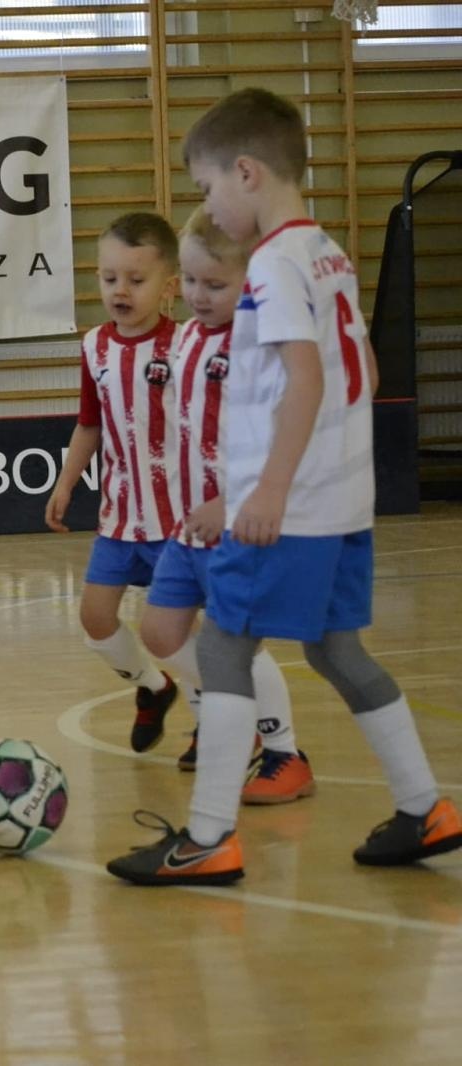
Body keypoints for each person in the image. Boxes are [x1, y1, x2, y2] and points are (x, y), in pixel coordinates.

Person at [107, 87, 461, 886]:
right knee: (337, 650)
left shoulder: (270, 264)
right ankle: (424, 808)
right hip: (342, 503)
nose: (208, 206)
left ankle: (207, 838)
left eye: (207, 188)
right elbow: (365, 372)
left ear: (246, 173)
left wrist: (265, 490)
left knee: (224, 647)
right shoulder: (326, 252)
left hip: (291, 506)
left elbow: (305, 377)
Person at [137, 206, 313, 803]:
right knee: (160, 632)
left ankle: (286, 753)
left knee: (234, 644)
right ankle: (237, 709)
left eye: (215, 284)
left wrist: (230, 500)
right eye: (190, 281)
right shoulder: (186, 338)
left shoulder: (258, 345)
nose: (198, 295)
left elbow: (282, 437)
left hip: (237, 525)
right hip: (188, 527)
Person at [44, 213, 185, 753]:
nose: (120, 290)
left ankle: (213, 722)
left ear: (169, 286)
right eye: (109, 279)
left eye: (136, 279)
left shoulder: (184, 346)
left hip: (176, 520)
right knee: (95, 619)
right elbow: (90, 423)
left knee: (176, 632)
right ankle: (153, 688)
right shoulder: (94, 347)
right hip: (120, 519)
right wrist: (66, 483)